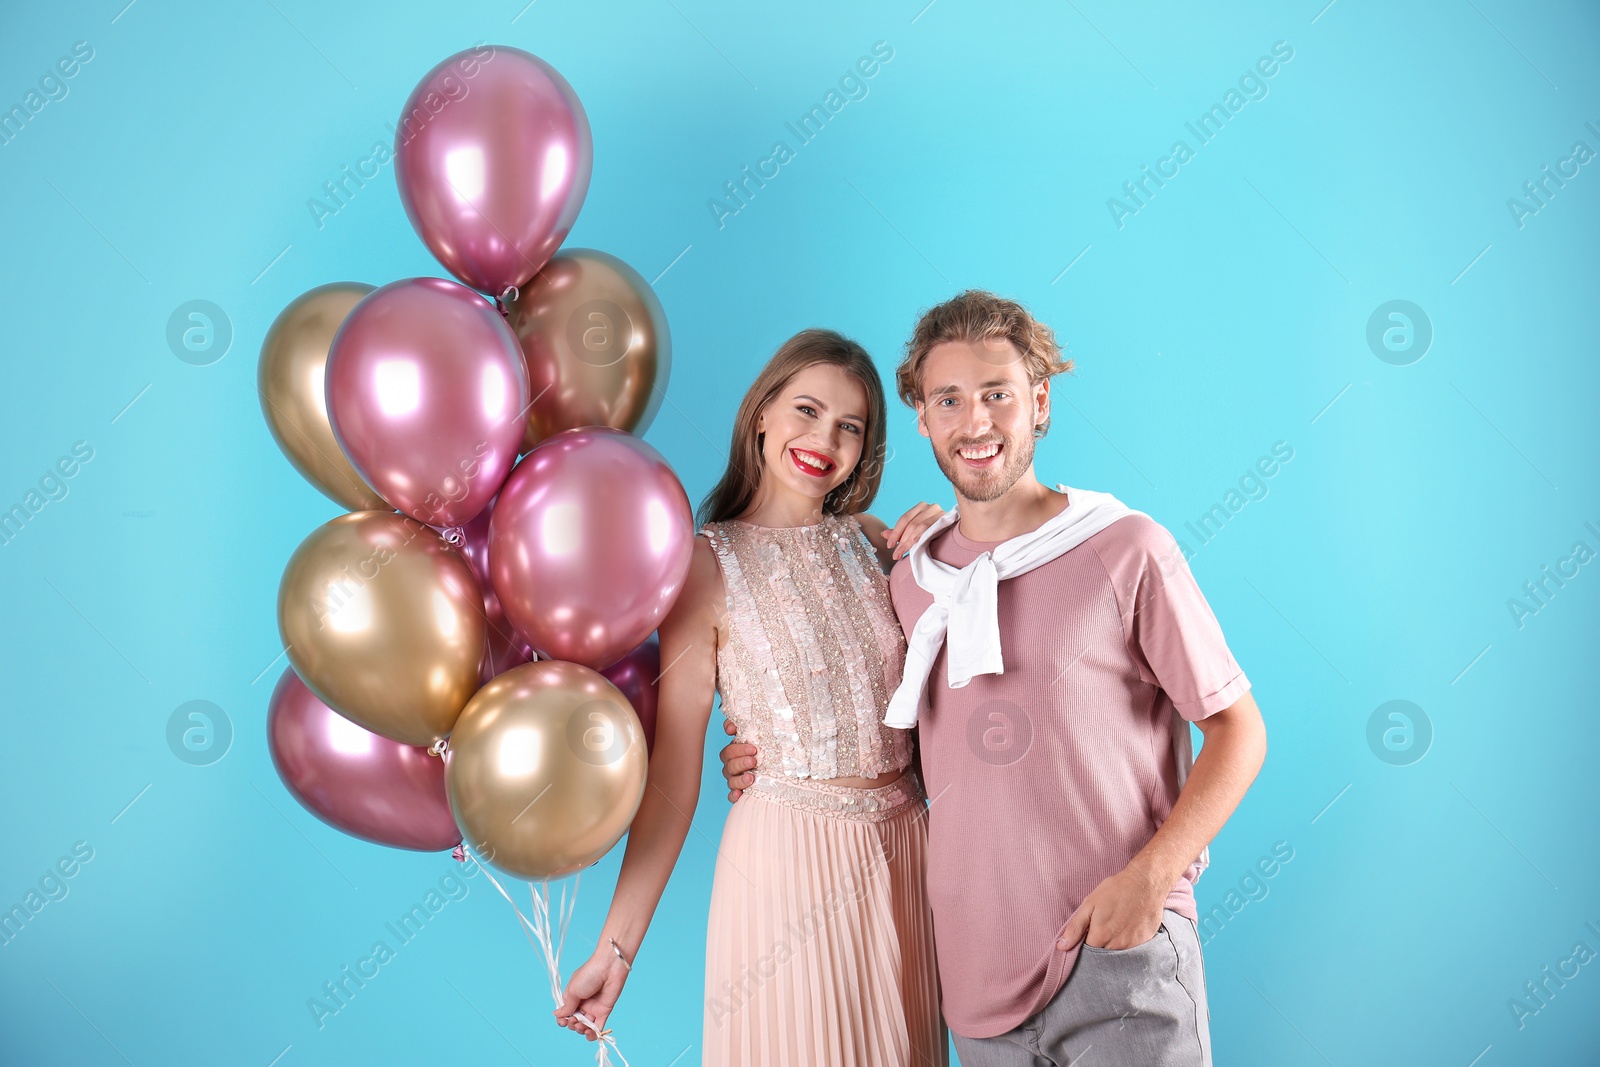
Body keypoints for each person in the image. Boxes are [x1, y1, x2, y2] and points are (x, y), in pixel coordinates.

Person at [719, 291, 1268, 1066]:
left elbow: (1240, 730)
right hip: (975, 990)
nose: (974, 423)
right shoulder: (909, 578)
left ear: (1038, 401)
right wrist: (764, 754)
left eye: (996, 395)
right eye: (950, 399)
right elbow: (876, 730)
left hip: (1116, 955)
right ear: (921, 418)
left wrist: (1152, 879)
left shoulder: (1126, 548)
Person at [555, 327, 952, 1066]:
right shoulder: (706, 564)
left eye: (850, 426)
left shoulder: (872, 542)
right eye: (806, 409)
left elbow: (947, 703)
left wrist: (955, 542)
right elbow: (674, 778)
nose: (823, 438)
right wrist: (617, 948)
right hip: (788, 860)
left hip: (906, 848)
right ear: (762, 413)